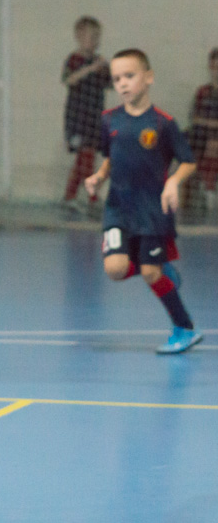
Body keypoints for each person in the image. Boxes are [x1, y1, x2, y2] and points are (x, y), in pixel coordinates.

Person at [85, 48, 202, 354]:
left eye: (129, 76)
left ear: (148, 78)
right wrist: (99, 176)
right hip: (118, 208)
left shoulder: (163, 123)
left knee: (151, 273)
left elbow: (188, 162)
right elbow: (110, 157)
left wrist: (173, 182)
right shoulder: (109, 120)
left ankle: (185, 329)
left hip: (153, 211)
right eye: (117, 79)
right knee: (115, 269)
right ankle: (161, 271)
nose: (123, 83)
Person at [62, 16, 111, 211]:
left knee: (87, 157)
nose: (95, 42)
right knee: (84, 157)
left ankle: (76, 196)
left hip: (94, 117)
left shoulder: (99, 62)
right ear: (79, 37)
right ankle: (83, 196)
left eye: (97, 37)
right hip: (77, 118)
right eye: (91, 37)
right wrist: (91, 68)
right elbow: (69, 80)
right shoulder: (74, 60)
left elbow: (110, 84)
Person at [188, 47, 218, 213]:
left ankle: (210, 188)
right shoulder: (203, 92)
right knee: (194, 138)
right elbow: (195, 119)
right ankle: (206, 188)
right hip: (204, 137)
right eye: (214, 67)